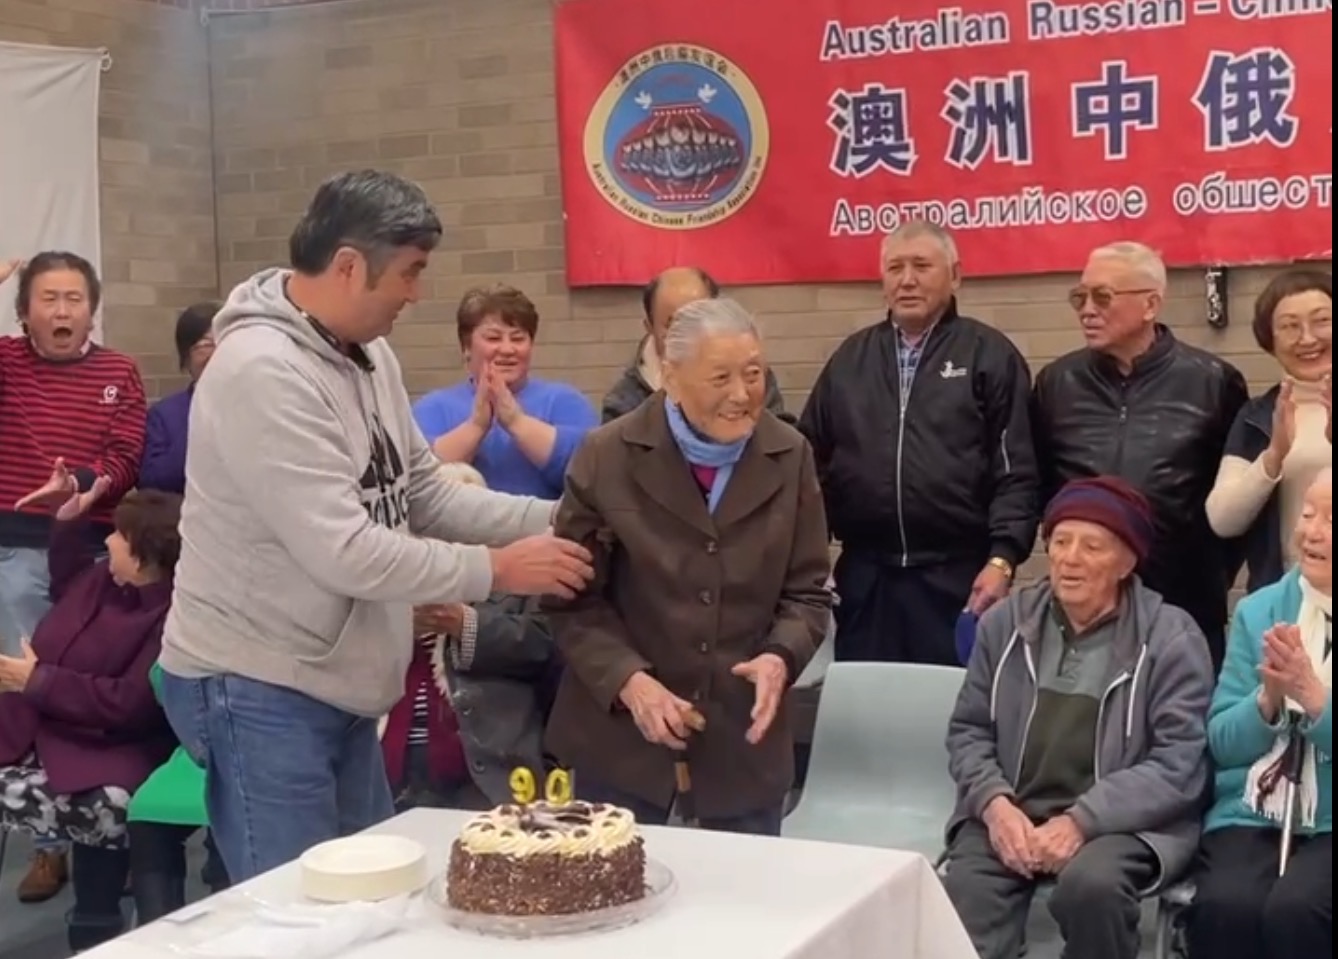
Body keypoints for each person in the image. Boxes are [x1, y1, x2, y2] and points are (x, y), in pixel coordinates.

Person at [156, 170, 595, 882]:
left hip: (341, 678)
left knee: (372, 894)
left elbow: (423, 493)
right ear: (349, 266)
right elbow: (346, 550)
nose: (417, 294)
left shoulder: (368, 353)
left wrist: (562, 518)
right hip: (260, 682)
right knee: (298, 905)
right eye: (410, 272)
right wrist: (496, 568)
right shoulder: (259, 371)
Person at [545, 297, 831, 836]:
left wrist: (780, 656)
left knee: (743, 890)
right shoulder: (607, 455)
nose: (741, 394)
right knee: (620, 885)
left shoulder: (790, 453)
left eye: (753, 374)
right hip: (621, 746)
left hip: (742, 744)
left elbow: (809, 592)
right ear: (671, 378)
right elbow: (571, 600)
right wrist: (629, 681)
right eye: (720, 377)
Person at [942, 476, 1214, 959]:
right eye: (1061, 542)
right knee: (967, 899)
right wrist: (993, 803)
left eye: (1092, 547)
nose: (1069, 559)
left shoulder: (1171, 639)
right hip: (1014, 809)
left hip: (1121, 825)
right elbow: (968, 731)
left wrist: (1081, 821)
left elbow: (1179, 763)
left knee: (1092, 889)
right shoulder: (1005, 623)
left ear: (1127, 562)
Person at [798, 222, 1039, 665]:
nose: (906, 280)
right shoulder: (850, 361)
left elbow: (1017, 472)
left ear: (955, 276)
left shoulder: (988, 355)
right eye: (895, 268)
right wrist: (810, 564)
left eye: (921, 266)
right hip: (866, 580)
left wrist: (1002, 560)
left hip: (959, 579)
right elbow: (809, 470)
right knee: (867, 702)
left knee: (949, 703)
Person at [0, 250, 148, 904]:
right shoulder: (6, 363)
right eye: (48, 299)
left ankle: (104, 829)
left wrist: (83, 485)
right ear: (24, 311)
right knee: (25, 683)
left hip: (97, 547)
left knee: (94, 687)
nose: (63, 311)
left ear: (92, 309)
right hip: (17, 547)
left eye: (74, 299)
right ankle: (46, 843)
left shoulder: (119, 370)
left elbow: (126, 453)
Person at [1032, 241, 1249, 668]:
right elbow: (1037, 485)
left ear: (1151, 304)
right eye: (1079, 297)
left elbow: (1235, 501)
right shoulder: (1057, 383)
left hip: (1185, 603)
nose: (1087, 310)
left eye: (1102, 297)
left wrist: (1209, 577)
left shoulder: (1213, 382)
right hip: (1085, 608)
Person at [0, 476, 181, 951]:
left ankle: (94, 931)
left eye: (118, 534)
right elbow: (68, 581)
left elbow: (129, 704)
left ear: (142, 556)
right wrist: (66, 518)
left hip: (105, 748)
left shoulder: (172, 619)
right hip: (32, 725)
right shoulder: (104, 579)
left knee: (105, 807)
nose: (108, 540)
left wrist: (36, 681)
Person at [1186, 468, 1332, 959]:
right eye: (1307, 514)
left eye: (1331, 521)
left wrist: (1314, 698)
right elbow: (1222, 743)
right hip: (1252, 808)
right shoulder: (1261, 611)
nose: (1312, 532)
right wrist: (1266, 700)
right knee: (1227, 906)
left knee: (1298, 911)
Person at [381, 464, 560, 811]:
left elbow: (542, 646)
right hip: (389, 767)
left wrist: (465, 624)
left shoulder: (519, 577)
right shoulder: (392, 574)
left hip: (485, 770)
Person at [1206, 268, 1332, 592]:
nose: (1307, 338)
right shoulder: (1259, 416)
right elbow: (1223, 520)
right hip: (1290, 599)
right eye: (1290, 326)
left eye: (1322, 321)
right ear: (1270, 341)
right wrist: (1273, 457)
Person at [413, 284, 597, 498]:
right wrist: (476, 426)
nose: (508, 349)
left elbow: (589, 473)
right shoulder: (433, 407)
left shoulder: (566, 401)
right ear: (467, 347)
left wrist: (516, 421)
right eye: (493, 338)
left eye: (518, 338)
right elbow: (419, 478)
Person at [601, 266, 789, 423]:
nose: (688, 335)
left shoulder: (752, 379)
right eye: (673, 324)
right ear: (649, 327)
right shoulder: (624, 403)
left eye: (700, 322)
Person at [138, 301, 220, 494]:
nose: (216, 353)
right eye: (205, 345)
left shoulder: (253, 407)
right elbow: (150, 479)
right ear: (186, 357)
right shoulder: (164, 415)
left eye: (223, 342)